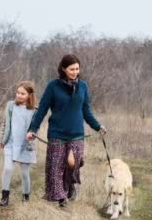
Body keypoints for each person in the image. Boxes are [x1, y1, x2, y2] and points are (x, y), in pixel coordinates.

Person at [27, 54, 106, 208]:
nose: (75, 72)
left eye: (77, 69)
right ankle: (61, 198)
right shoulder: (53, 86)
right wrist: (33, 129)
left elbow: (86, 111)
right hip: (57, 133)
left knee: (72, 163)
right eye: (71, 69)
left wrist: (98, 126)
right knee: (56, 166)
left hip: (76, 133)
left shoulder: (83, 86)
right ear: (63, 69)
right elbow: (42, 109)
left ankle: (69, 187)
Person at [0, 81, 37, 206]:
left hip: (25, 145)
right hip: (10, 143)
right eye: (18, 92)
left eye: (23, 93)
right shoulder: (10, 106)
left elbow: (35, 128)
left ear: (29, 95)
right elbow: (5, 124)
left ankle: (26, 197)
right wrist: (1, 139)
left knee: (25, 173)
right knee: (8, 169)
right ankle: (4, 197)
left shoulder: (34, 111)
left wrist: (32, 134)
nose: (19, 95)